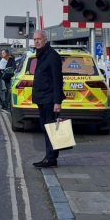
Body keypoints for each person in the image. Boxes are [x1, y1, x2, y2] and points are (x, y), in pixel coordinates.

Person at [31, 31, 64, 168]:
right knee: (47, 128)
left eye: (39, 39)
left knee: (50, 128)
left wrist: (57, 102)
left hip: (49, 99)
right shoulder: (41, 55)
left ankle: (50, 158)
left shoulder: (52, 56)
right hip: (42, 99)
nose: (36, 41)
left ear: (45, 40)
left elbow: (58, 80)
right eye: (35, 39)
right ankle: (52, 156)